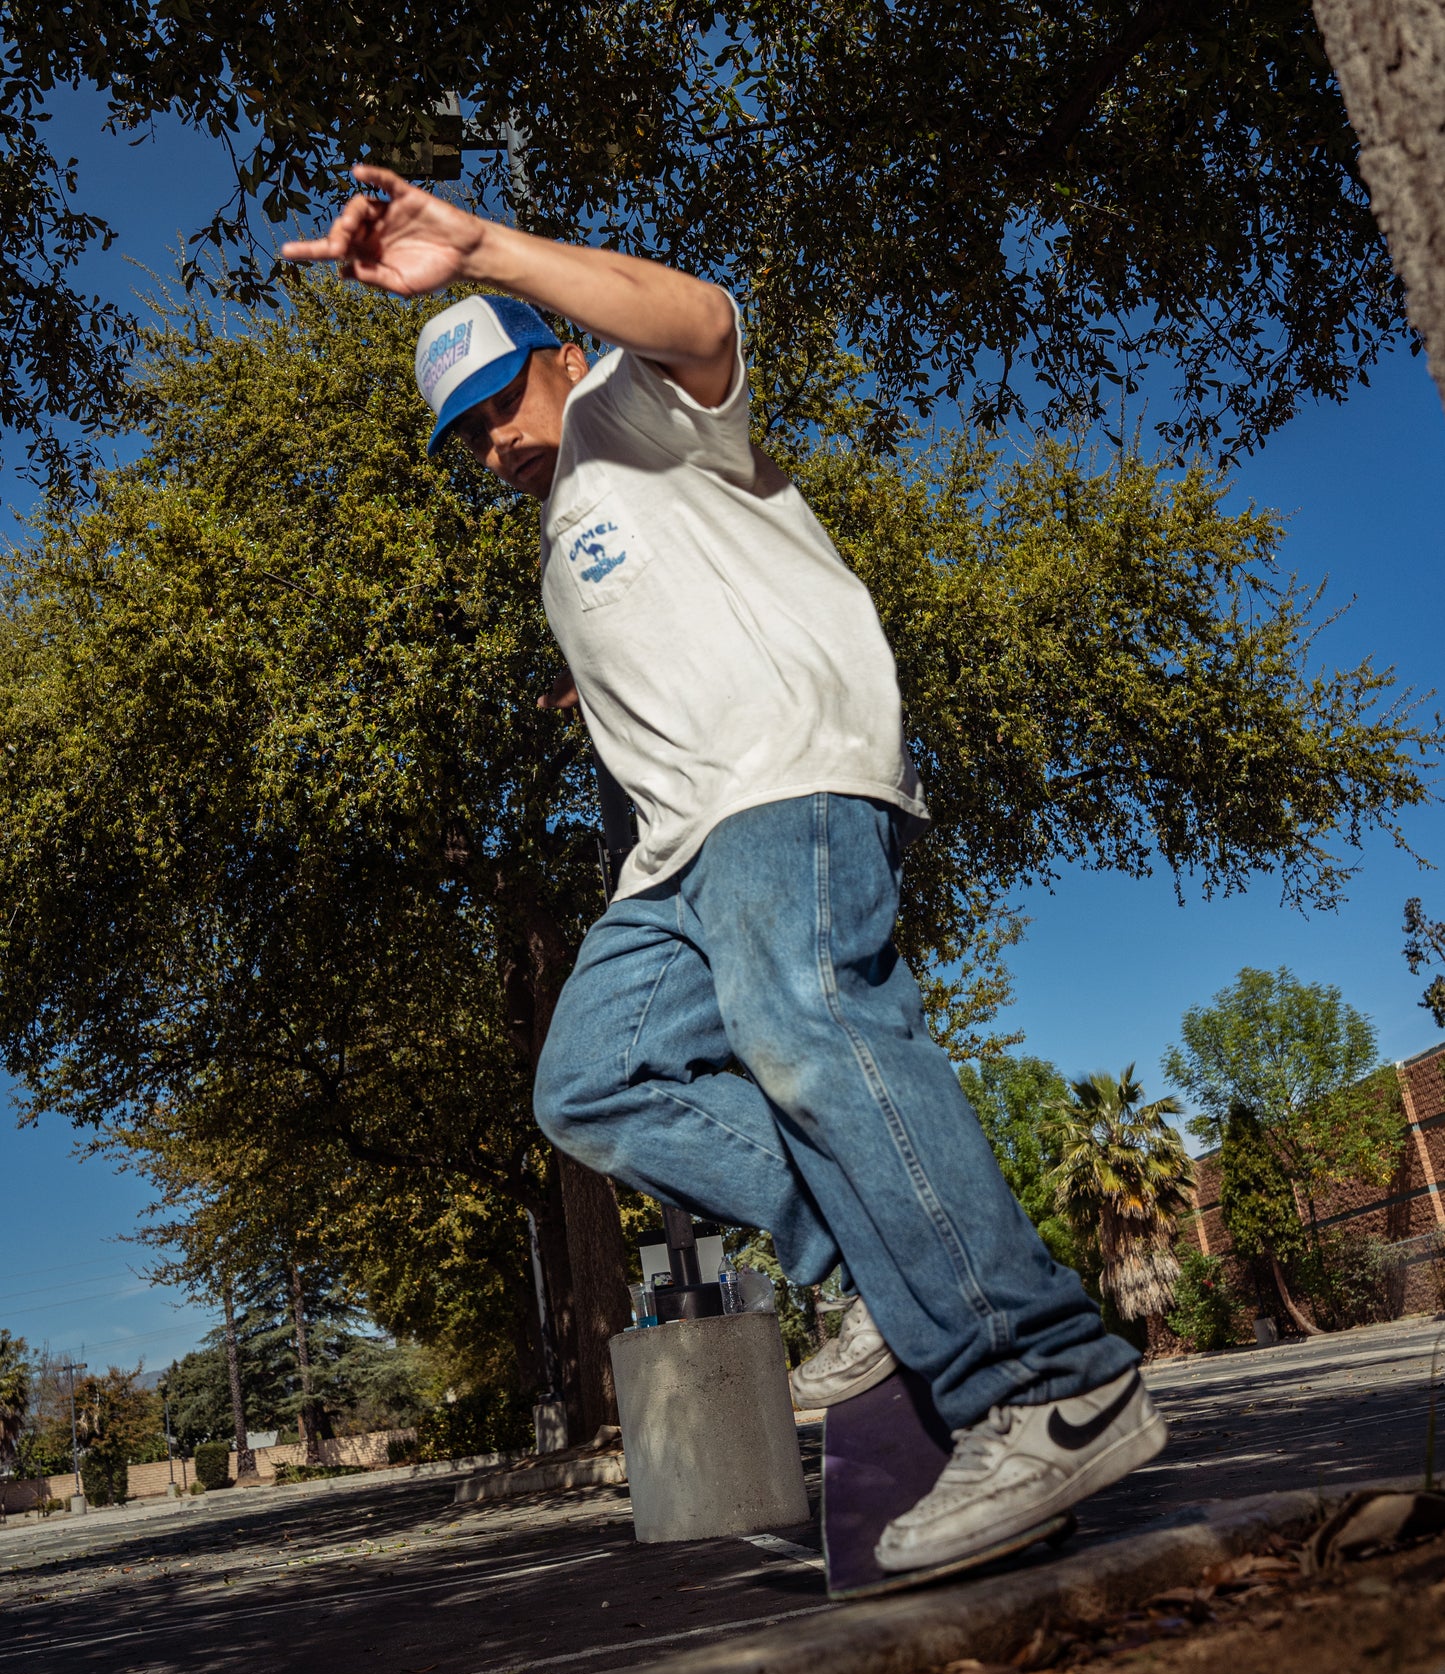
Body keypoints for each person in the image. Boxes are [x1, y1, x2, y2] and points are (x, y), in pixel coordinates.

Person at [284, 169, 1167, 1575]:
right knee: (589, 1081)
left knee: (808, 1026)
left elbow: (700, 316)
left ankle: (1050, 1380)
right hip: (674, 857)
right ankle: (869, 1265)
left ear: (557, 354)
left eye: (501, 400)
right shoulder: (569, 529)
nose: (494, 443)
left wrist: (485, 247)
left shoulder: (627, 406)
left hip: (780, 787)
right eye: (466, 436)